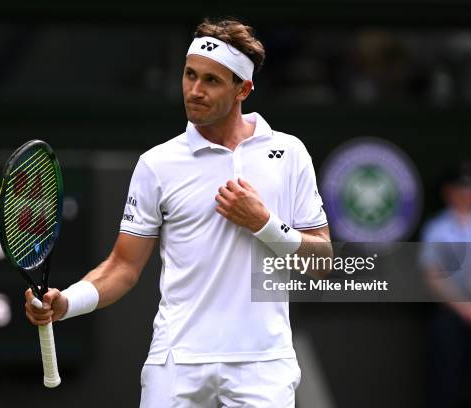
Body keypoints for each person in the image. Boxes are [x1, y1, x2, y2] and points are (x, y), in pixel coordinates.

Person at [25, 18, 331, 407]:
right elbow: (123, 266)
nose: (194, 91)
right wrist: (66, 302)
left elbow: (321, 261)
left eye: (212, 81)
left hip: (263, 366)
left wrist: (264, 223)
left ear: (244, 89)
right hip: (176, 364)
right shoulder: (157, 164)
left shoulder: (289, 154)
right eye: (190, 75)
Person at [421, 162, 471, 408]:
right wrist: (464, 307)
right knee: (445, 380)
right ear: (448, 192)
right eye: (461, 188)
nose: (467, 194)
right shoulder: (436, 229)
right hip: (451, 312)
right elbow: (433, 275)